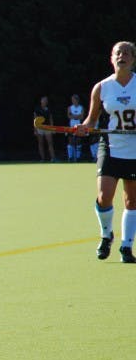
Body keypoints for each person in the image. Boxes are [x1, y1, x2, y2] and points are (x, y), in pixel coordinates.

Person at [80, 41, 136, 263]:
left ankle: (126, 247)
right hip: (111, 146)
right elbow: (92, 119)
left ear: (133, 59)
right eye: (117, 53)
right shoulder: (102, 87)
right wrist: (84, 128)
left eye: (126, 53)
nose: (122, 56)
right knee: (104, 196)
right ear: (112, 59)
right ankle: (106, 235)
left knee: (132, 201)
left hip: (134, 149)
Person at [34, 95, 55, 161]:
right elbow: (35, 119)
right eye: (43, 100)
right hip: (39, 127)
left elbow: (51, 119)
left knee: (50, 143)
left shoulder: (49, 109)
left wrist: (52, 129)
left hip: (47, 127)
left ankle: (53, 158)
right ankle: (42, 159)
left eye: (46, 100)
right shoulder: (37, 109)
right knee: (40, 143)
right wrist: (35, 130)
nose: (45, 101)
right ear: (41, 101)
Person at [65, 94, 85, 162]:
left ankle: (78, 157)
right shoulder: (70, 108)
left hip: (79, 126)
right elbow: (69, 116)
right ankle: (70, 157)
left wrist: (74, 116)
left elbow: (82, 117)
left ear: (77, 100)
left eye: (74, 100)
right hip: (71, 126)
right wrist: (76, 116)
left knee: (78, 141)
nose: (73, 101)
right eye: (72, 100)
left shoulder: (81, 107)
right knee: (70, 141)